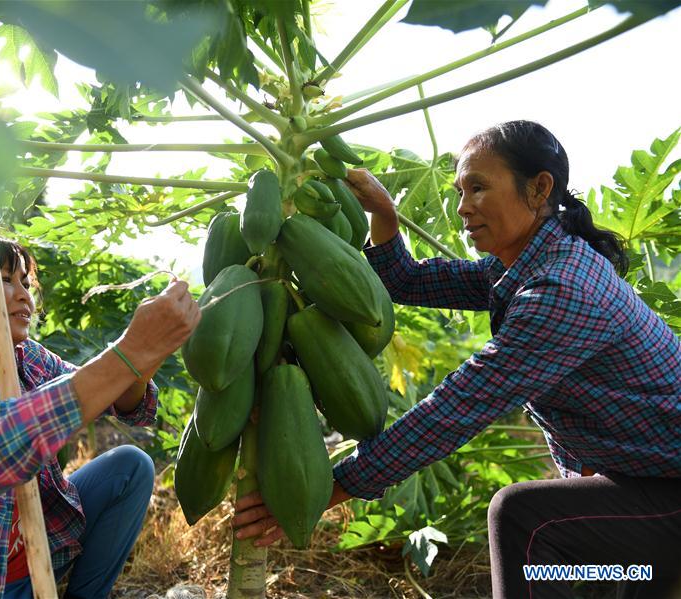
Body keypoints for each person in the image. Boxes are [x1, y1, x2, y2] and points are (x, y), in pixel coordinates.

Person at [234, 120, 681, 598]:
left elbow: (454, 410)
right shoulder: (526, 264)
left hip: (667, 491)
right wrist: (385, 214)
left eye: (478, 188)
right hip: (638, 486)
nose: (463, 207)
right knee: (584, 579)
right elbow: (409, 281)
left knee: (521, 519)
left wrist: (327, 487)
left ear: (539, 188)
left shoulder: (561, 290)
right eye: (460, 191)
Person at [0, 238, 201, 598]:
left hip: (27, 567)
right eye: (4, 281)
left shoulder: (27, 357)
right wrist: (128, 352)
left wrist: (145, 353)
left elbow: (121, 400)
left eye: (25, 283)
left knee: (130, 467)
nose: (23, 294)